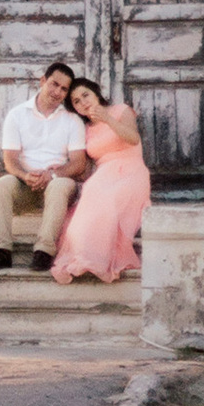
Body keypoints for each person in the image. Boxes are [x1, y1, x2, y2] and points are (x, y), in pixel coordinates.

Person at [0, 60, 91, 269]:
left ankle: (44, 251)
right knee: (2, 184)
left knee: (59, 184)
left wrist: (52, 175)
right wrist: (25, 176)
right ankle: (1, 251)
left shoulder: (72, 120)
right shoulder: (17, 115)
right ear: (42, 81)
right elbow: (10, 160)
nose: (57, 92)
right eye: (54, 84)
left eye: (64, 89)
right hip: (27, 183)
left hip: (58, 185)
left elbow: (78, 163)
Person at [50, 78, 150, 283]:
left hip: (130, 171)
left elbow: (133, 138)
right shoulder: (84, 130)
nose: (83, 102)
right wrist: (58, 170)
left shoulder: (121, 110)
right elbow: (84, 169)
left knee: (106, 198)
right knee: (90, 193)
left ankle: (97, 259)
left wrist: (107, 119)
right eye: (76, 101)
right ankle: (84, 257)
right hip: (103, 174)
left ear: (96, 93)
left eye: (85, 95)